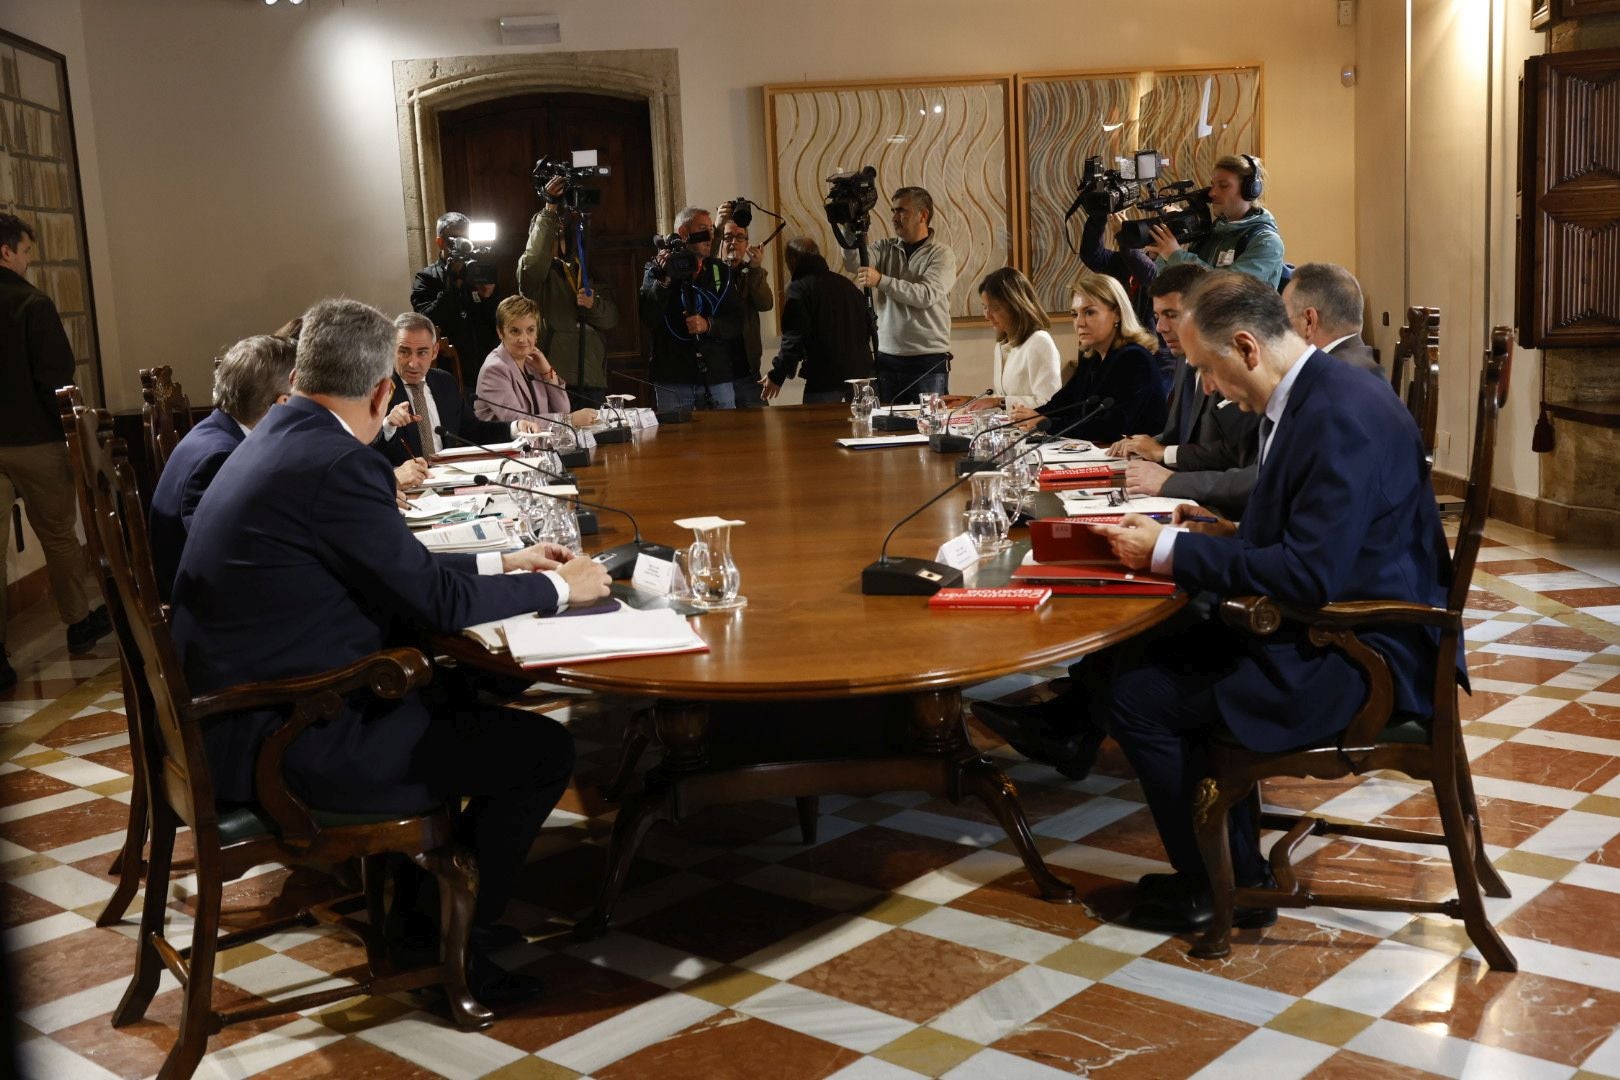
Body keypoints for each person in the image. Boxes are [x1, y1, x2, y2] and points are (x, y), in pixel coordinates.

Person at [170, 297, 612, 1001]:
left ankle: (420, 914)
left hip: (233, 718)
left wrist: (509, 564)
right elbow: (430, 600)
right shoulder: (338, 464)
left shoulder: (280, 435)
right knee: (540, 753)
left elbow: (396, 572)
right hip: (286, 740)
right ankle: (451, 946)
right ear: (382, 390)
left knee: (473, 690)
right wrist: (562, 590)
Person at [1085, 271, 1452, 932]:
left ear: (1248, 349)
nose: (1203, 387)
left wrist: (1166, 552)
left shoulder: (1337, 412)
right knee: (1147, 655)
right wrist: (1225, 531)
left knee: (1141, 695)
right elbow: (1316, 535)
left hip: (1364, 654)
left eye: (1206, 368)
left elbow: (1311, 576)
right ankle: (1234, 871)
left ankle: (1214, 889)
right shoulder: (1315, 394)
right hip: (1331, 623)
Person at [0, 212, 109, 685]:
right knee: (59, 535)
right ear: (6, 251)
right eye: (25, 250)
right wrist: (68, 433)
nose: (28, 260)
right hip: (35, 441)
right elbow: (55, 379)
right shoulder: (32, 305)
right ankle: (79, 622)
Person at [149, 334, 296, 600]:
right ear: (282, 404)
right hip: (206, 610)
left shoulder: (218, 432)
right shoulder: (220, 458)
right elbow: (230, 559)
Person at [1110, 264, 1262, 519]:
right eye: (1157, 316)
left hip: (1225, 509)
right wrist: (1147, 444)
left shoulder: (1234, 360)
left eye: (1171, 314)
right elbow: (1180, 433)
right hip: (1191, 498)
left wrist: (1164, 454)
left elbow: (1239, 455)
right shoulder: (1182, 359)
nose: (1160, 327)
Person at [1019, 270, 1165, 444]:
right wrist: (1027, 418)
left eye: (1089, 312)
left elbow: (1112, 427)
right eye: (1075, 314)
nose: (1079, 323)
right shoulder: (1091, 357)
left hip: (1134, 463)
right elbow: (1062, 404)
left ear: (1117, 314)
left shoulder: (1134, 358)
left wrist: (1045, 423)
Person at [377, 312, 543, 464]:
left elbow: (472, 431)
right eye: (404, 352)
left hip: (449, 479)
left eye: (422, 353)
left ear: (434, 352)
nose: (413, 363)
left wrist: (515, 427)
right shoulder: (376, 390)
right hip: (405, 488)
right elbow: (364, 452)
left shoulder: (444, 382)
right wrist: (388, 426)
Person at [517, 175, 620, 408]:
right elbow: (534, 263)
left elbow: (612, 318)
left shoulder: (584, 267)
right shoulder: (535, 275)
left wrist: (593, 306)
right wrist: (549, 210)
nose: (556, 238)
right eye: (548, 234)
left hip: (591, 377)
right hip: (553, 378)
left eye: (559, 232)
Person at [847, 186, 957, 404]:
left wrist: (881, 280)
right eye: (893, 211)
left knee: (927, 428)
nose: (894, 217)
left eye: (901, 211)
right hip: (888, 357)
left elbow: (925, 295)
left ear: (923, 215)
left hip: (927, 360)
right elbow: (854, 263)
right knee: (888, 430)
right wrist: (849, 228)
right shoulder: (884, 247)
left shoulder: (941, 254)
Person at [638, 206, 745, 411]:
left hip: (716, 376)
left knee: (725, 442)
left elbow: (737, 321)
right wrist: (665, 278)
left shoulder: (720, 271)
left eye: (712, 230)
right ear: (684, 234)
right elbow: (648, 317)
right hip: (674, 379)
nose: (710, 236)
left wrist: (708, 325)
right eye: (703, 228)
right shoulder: (655, 269)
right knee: (677, 442)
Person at [1145, 155, 1287, 289]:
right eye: (1213, 185)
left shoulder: (1267, 243)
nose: (1212, 193)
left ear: (1250, 190)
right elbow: (1178, 288)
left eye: (1223, 185)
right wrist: (1162, 257)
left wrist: (1175, 255)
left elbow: (1226, 290)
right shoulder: (1213, 232)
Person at [761, 237, 873, 404]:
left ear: (793, 259)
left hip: (824, 380)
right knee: (862, 428)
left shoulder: (800, 289)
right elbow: (868, 327)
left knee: (818, 429)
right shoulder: (847, 285)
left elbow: (794, 338)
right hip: (861, 377)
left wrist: (777, 375)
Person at [1081, 208, 1174, 393]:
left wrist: (1121, 234)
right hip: (1125, 351)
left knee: (1145, 414)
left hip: (1157, 357)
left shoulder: (1170, 269)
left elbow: (1148, 274)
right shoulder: (1126, 261)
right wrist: (1100, 215)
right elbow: (1092, 254)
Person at [473, 297, 599, 432]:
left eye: (530, 330)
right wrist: (568, 420)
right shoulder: (494, 369)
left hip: (534, 445)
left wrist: (547, 371)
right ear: (500, 332)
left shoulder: (532, 361)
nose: (523, 339)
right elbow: (518, 421)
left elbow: (563, 409)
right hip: (502, 448)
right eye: (515, 331)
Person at [411, 211, 498, 389]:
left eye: (466, 238)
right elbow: (426, 321)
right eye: (456, 238)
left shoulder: (477, 272)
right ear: (440, 242)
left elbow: (496, 322)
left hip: (486, 369)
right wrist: (452, 286)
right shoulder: (426, 278)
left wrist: (488, 298)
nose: (464, 244)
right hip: (447, 372)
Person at [713, 204, 774, 408]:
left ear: (747, 243)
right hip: (718, 374)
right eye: (728, 237)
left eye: (740, 238)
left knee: (759, 433)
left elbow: (766, 304)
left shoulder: (752, 273)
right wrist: (716, 226)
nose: (733, 243)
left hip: (748, 373)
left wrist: (755, 269)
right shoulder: (711, 272)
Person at [979, 267, 1061, 410]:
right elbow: (1004, 396)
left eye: (995, 308)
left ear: (1016, 306)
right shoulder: (1000, 346)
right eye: (985, 307)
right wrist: (970, 401)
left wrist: (1000, 402)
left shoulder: (1039, 342)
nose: (987, 315)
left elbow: (1049, 403)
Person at [1282, 263, 1384, 376]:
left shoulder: (1329, 380)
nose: (1281, 328)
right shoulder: (1362, 365)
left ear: (1309, 321)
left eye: (1284, 317)